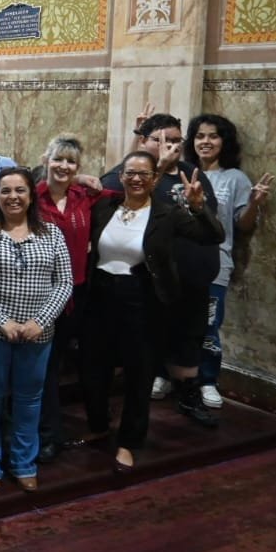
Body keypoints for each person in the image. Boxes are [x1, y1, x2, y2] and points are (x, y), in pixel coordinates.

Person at [81, 152, 223, 473]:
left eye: (144, 174)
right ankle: (99, 424)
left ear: (154, 179)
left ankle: (129, 442)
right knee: (94, 368)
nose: (136, 179)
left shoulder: (167, 213)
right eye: (130, 173)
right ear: (121, 176)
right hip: (99, 296)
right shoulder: (105, 206)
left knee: (139, 373)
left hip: (142, 299)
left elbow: (213, 236)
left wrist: (199, 206)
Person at [0, 166, 72, 492]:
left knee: (29, 399)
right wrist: (2, 321)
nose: (13, 197)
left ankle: (24, 463)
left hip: (39, 333)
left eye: (20, 190)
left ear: (31, 195)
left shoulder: (52, 233)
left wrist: (41, 321)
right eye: (6, 191)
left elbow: (64, 282)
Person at [102, 113, 220, 426]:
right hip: (150, 283)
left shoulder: (189, 171)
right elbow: (112, 195)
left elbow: (208, 218)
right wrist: (161, 168)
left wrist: (197, 204)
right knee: (139, 348)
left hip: (192, 279)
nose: (171, 147)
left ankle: (188, 398)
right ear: (144, 141)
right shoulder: (131, 174)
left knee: (188, 341)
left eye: (176, 140)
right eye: (161, 140)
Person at [33, 134, 118, 461]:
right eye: (58, 159)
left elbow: (129, 193)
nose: (64, 166)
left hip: (78, 292)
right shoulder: (33, 197)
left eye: (71, 162)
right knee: (45, 365)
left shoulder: (84, 196)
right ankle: (46, 435)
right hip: (41, 293)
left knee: (60, 363)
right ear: (46, 160)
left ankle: (54, 429)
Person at [184, 114, 273, 409]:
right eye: (199, 136)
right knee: (173, 320)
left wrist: (254, 204)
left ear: (224, 142)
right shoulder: (183, 171)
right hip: (178, 263)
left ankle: (208, 380)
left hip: (216, 263)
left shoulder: (234, 178)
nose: (205, 142)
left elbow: (243, 225)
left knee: (209, 325)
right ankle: (165, 373)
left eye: (213, 136)